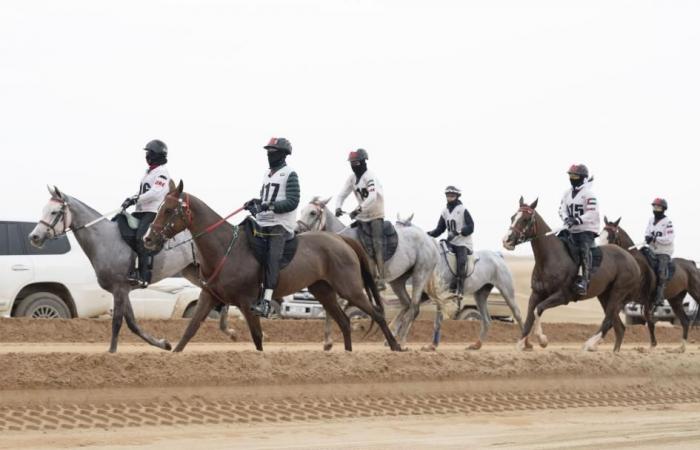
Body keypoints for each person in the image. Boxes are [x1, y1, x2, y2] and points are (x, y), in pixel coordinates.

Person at [244, 137, 300, 317]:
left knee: (272, 258)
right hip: (262, 222)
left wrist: (268, 206)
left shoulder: (290, 173)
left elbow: (292, 201)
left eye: (273, 152)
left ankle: (267, 302)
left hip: (280, 225)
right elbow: (265, 199)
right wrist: (256, 202)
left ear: (283, 154)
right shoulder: (266, 174)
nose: (269, 154)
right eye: (268, 151)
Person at [121, 139, 170, 288]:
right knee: (124, 231)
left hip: (153, 212)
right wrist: (131, 198)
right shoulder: (148, 172)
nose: (147, 155)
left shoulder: (162, 173)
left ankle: (143, 276)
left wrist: (136, 199)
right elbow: (143, 191)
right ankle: (129, 269)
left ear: (155, 155)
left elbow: (155, 193)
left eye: (149, 152)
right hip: (141, 211)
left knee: (141, 238)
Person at [335, 148, 386, 288]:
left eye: (356, 162)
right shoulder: (352, 178)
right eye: (352, 163)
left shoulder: (370, 177)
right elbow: (341, 195)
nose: (354, 165)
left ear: (363, 162)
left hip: (376, 214)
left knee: (377, 245)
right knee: (363, 246)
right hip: (363, 216)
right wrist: (338, 207)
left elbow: (372, 197)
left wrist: (357, 209)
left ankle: (381, 278)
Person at [558, 164, 600, 295]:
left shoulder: (589, 194)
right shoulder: (566, 193)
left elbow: (592, 213)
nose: (572, 178)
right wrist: (566, 218)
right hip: (570, 228)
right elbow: (562, 209)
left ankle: (584, 281)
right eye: (571, 175)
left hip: (586, 229)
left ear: (583, 178)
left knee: (583, 250)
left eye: (575, 176)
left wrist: (576, 220)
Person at [427, 185, 474, 298]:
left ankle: (459, 288)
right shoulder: (445, 211)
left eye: (452, 195)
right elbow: (440, 229)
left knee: (461, 261)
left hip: (463, 243)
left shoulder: (463, 210)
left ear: (457, 196)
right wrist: (427, 234)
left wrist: (458, 232)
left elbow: (471, 227)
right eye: (448, 195)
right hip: (450, 242)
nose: (450, 197)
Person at [644, 198, 675, 307]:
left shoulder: (668, 222)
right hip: (652, 250)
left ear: (663, 209)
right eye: (654, 207)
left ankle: (660, 297)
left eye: (658, 207)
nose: (655, 209)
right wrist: (647, 237)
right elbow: (647, 232)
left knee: (661, 272)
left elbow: (669, 238)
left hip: (664, 251)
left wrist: (655, 239)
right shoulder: (650, 220)